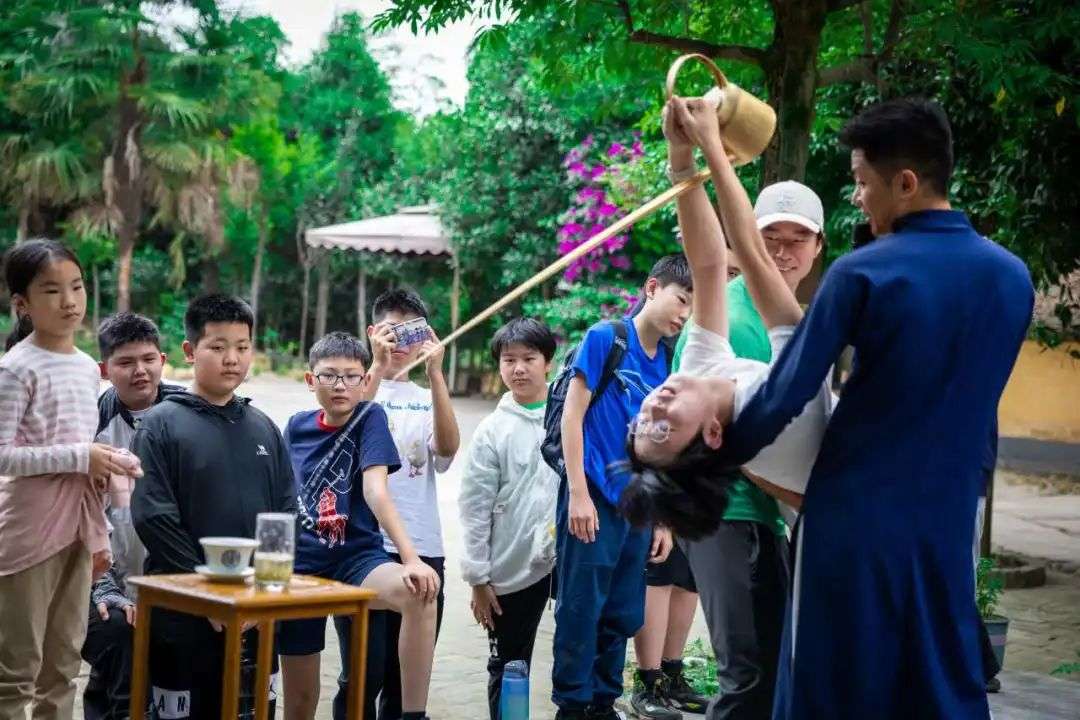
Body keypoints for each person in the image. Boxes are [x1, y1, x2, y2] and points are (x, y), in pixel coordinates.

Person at [675, 97, 1034, 718]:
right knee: (939, 677)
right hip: (947, 515)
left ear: (906, 183)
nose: (860, 199)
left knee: (830, 683)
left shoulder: (865, 272)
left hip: (852, 519)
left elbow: (786, 391)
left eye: (864, 183)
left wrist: (711, 457)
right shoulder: (1012, 277)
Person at [669, 166, 827, 720]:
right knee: (746, 673)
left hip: (768, 517)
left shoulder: (800, 323)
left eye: (797, 239)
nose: (783, 253)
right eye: (769, 238)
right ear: (745, 241)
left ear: (817, 248)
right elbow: (706, 438)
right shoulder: (727, 321)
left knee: (774, 667)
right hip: (722, 511)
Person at [131, 294, 296, 719]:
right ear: (190, 351)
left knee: (251, 709)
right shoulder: (160, 424)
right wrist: (208, 595)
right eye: (218, 347)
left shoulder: (264, 427)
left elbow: (285, 512)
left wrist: (264, 591)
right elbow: (153, 515)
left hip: (255, 610)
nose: (232, 359)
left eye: (242, 347)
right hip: (183, 606)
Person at [0, 239, 140, 720]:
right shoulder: (15, 368)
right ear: (22, 304)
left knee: (63, 666)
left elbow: (80, 446)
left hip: (78, 529)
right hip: (28, 531)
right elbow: (4, 456)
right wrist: (84, 456)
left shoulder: (85, 368)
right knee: (16, 671)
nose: (69, 301)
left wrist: (109, 461)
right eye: (51, 290)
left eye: (76, 287)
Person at [551, 254, 688, 720]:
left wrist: (663, 518)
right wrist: (577, 493)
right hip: (591, 497)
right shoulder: (606, 338)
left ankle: (603, 703)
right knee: (580, 608)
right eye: (680, 299)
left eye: (691, 307)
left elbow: (662, 443)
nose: (684, 314)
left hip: (638, 506)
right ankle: (572, 705)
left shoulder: (668, 360)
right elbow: (572, 417)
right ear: (652, 288)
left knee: (622, 611)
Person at [278, 331, 439, 720]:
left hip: (356, 560)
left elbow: (376, 491)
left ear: (364, 381)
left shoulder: (371, 417)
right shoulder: (296, 426)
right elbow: (278, 497)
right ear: (310, 380)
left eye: (351, 376)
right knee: (300, 700)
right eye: (329, 375)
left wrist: (411, 559)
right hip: (301, 567)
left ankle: (413, 715)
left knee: (419, 593)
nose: (340, 385)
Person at [332, 288, 460, 720]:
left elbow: (447, 450)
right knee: (360, 676)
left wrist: (437, 376)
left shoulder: (426, 398)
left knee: (404, 681)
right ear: (372, 332)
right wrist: (375, 365)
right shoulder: (351, 388)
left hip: (423, 547)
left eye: (412, 333)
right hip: (362, 549)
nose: (401, 343)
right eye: (392, 331)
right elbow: (344, 435)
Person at [83, 312, 185, 720]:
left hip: (176, 577)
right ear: (104, 370)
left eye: (148, 359)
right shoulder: (90, 425)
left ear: (163, 359)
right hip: (104, 577)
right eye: (126, 362)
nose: (140, 371)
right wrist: (105, 588)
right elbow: (81, 516)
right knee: (116, 637)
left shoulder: (188, 413)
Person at [458, 318, 560, 720]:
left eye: (529, 359)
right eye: (509, 360)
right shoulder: (492, 430)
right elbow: (474, 508)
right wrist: (478, 578)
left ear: (548, 363)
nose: (518, 369)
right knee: (510, 665)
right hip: (511, 567)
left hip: (566, 558)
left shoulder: (569, 417)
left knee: (578, 651)